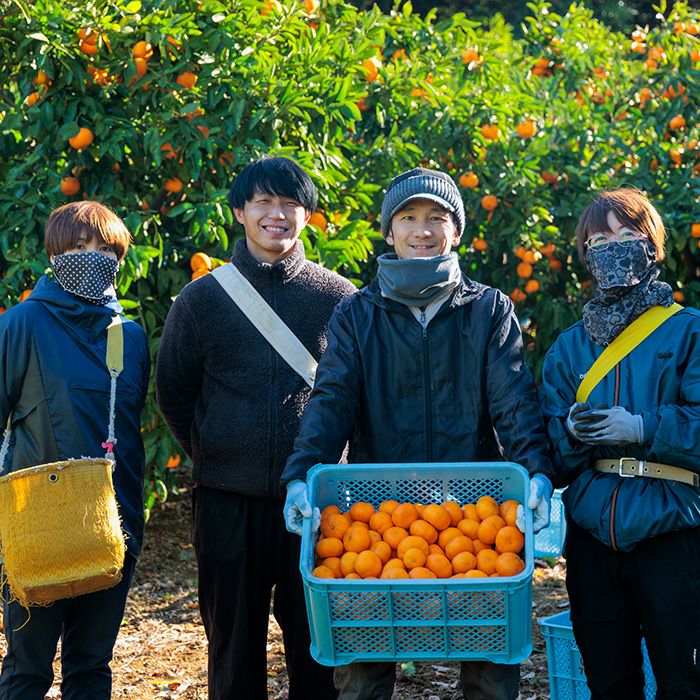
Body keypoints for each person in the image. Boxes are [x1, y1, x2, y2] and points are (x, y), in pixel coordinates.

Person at [282, 167, 555, 700]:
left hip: (477, 511)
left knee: (490, 655)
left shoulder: (488, 309)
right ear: (389, 231)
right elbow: (331, 400)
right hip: (377, 512)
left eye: (436, 218)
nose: (422, 230)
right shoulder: (356, 314)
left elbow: (513, 402)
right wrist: (300, 476)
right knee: (363, 664)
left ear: (456, 232)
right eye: (408, 217)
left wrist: (538, 474)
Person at [155, 156, 356, 700]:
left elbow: (356, 396)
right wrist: (217, 454)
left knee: (319, 649)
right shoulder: (202, 299)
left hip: (316, 504)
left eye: (290, 204)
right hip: (227, 502)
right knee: (233, 649)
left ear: (307, 215)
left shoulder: (339, 299)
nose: (277, 214)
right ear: (240, 211)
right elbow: (174, 391)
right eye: (263, 202)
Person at [539, 188, 700, 700]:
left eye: (628, 235)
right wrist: (569, 434)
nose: (614, 246)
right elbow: (549, 452)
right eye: (600, 238)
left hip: (674, 530)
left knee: (685, 681)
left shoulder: (688, 333)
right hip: (592, 537)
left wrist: (644, 428)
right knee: (608, 684)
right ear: (586, 255)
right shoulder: (569, 346)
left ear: (652, 245)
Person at [0, 201, 150, 699]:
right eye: (77, 247)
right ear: (54, 254)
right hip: (38, 526)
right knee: (28, 670)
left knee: (90, 667)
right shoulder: (21, 324)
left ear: (120, 257)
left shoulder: (128, 336)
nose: (91, 256)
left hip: (112, 525)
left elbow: (129, 434)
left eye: (104, 248)